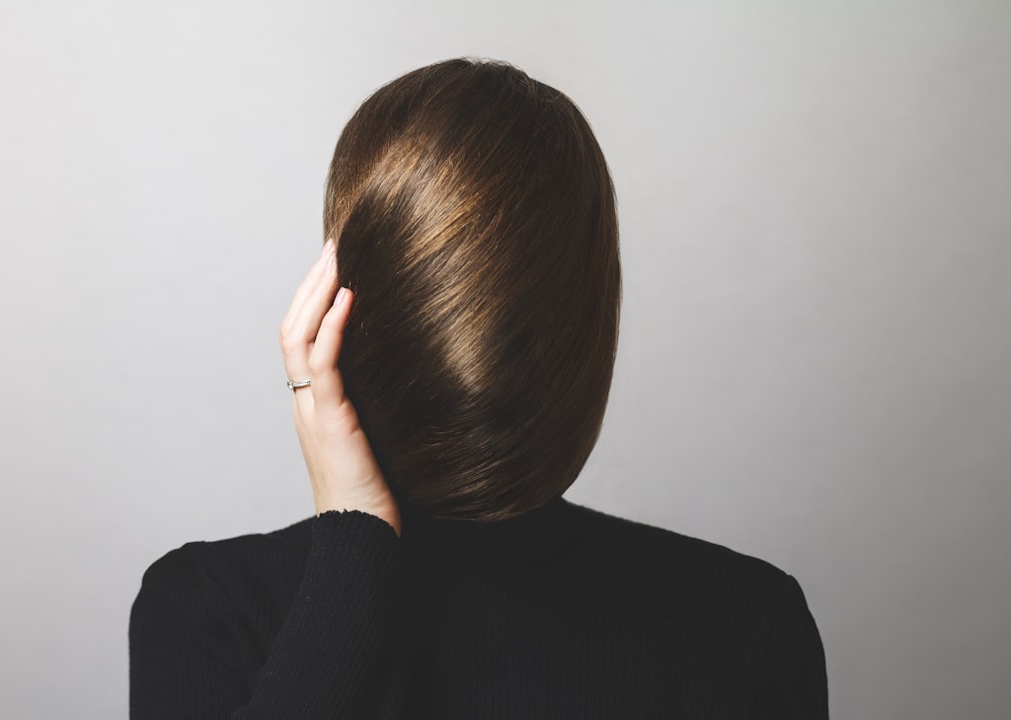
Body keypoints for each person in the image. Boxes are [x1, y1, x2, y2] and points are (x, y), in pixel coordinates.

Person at [128, 58, 829, 719]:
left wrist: (350, 534)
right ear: (588, 319)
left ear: (337, 305)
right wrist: (351, 548)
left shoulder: (210, 609)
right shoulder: (749, 621)